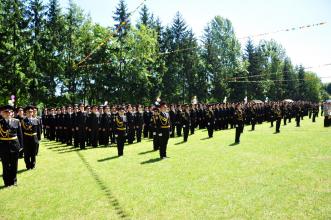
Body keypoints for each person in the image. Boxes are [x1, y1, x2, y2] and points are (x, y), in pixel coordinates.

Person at [0, 105, 23, 187]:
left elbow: (20, 134)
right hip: (3, 146)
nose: (8, 113)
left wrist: (21, 145)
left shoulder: (16, 121)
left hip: (14, 145)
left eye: (9, 112)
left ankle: (14, 180)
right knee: (5, 165)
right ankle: (7, 182)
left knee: (14, 164)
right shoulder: (0, 122)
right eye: (6, 112)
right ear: (2, 113)